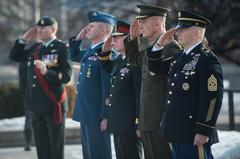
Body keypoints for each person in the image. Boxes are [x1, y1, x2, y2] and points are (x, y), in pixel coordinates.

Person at [147, 11, 223, 159]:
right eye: (178, 29)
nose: (177, 33)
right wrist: (159, 45)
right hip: (177, 129)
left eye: (182, 30)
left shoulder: (207, 60)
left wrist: (204, 129)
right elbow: (155, 67)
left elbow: (212, 98)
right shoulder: (180, 57)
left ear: (196, 34)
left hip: (193, 132)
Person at [9, 16, 72, 159]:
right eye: (38, 28)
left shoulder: (61, 48)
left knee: (55, 148)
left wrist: (47, 72)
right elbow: (14, 56)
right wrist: (24, 39)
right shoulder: (36, 48)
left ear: (54, 29)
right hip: (36, 105)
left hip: (52, 104)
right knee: (42, 148)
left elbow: (66, 76)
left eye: (43, 28)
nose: (40, 30)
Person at [124, 4, 181, 159]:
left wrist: (166, 119)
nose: (139, 25)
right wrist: (132, 39)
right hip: (148, 119)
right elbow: (134, 60)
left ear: (157, 24)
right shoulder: (150, 46)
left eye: (143, 22)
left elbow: (175, 88)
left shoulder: (170, 47)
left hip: (160, 121)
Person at [68, 11, 116, 159]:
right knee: (89, 154)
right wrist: (77, 40)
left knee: (99, 153)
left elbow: (108, 88)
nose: (87, 28)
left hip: (97, 115)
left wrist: (106, 115)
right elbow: (74, 55)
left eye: (91, 26)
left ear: (102, 30)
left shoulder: (106, 54)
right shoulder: (91, 50)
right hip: (86, 112)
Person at [98, 20, 143, 159]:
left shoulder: (135, 63)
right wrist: (105, 50)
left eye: (117, 39)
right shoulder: (120, 60)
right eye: (113, 39)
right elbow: (105, 64)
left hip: (129, 124)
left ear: (128, 39)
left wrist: (138, 123)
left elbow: (138, 95)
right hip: (118, 122)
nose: (113, 42)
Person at [18, 61, 33, 151]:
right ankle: (28, 142)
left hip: (32, 95)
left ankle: (28, 142)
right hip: (29, 95)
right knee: (29, 119)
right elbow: (22, 81)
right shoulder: (24, 62)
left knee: (29, 119)